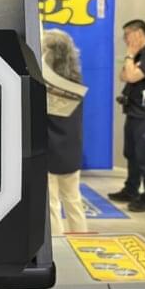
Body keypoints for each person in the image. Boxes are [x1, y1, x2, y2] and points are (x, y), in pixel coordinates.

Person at [108, 19, 145, 212]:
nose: (125, 39)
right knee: (132, 154)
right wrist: (131, 60)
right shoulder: (139, 56)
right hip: (134, 112)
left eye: (127, 35)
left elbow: (132, 76)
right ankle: (131, 189)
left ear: (139, 33)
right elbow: (123, 76)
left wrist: (130, 56)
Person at [43, 29, 88, 234]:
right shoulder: (75, 83)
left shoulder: (44, 85)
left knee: (51, 203)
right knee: (73, 200)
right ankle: (81, 240)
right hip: (71, 148)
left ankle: (57, 245)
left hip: (49, 149)